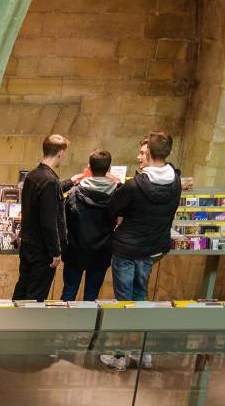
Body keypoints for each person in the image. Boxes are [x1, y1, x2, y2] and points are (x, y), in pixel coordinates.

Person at [100, 131, 181, 370]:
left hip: (127, 250)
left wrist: (120, 202)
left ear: (152, 154)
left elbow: (111, 210)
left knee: (124, 303)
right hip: (151, 249)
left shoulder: (133, 186)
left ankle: (119, 355)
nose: (139, 157)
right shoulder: (175, 181)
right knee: (141, 298)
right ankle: (141, 352)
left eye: (143, 152)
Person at [12, 134, 68, 302]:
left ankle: (11, 325)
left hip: (28, 244)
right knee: (36, 295)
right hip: (42, 250)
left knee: (23, 287)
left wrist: (72, 181)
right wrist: (55, 251)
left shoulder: (32, 175)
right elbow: (49, 222)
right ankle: (27, 327)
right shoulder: (50, 181)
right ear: (60, 153)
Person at [59, 150, 117, 302]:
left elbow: (65, 219)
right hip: (101, 252)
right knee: (91, 297)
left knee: (69, 293)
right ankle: (88, 325)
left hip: (75, 250)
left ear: (89, 168)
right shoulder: (117, 194)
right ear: (109, 169)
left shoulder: (74, 193)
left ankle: (63, 325)